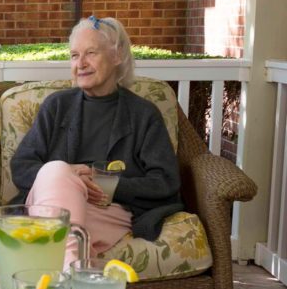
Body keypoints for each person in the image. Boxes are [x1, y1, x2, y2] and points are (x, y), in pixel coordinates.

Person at [10, 15, 183, 267]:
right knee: (56, 170)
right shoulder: (57, 106)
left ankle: (68, 276)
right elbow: (21, 166)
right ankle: (76, 273)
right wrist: (67, 174)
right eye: (74, 55)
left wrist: (106, 185)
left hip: (106, 211)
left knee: (50, 230)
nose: (80, 64)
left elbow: (165, 181)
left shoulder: (143, 114)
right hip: (52, 201)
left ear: (117, 56)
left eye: (91, 53)